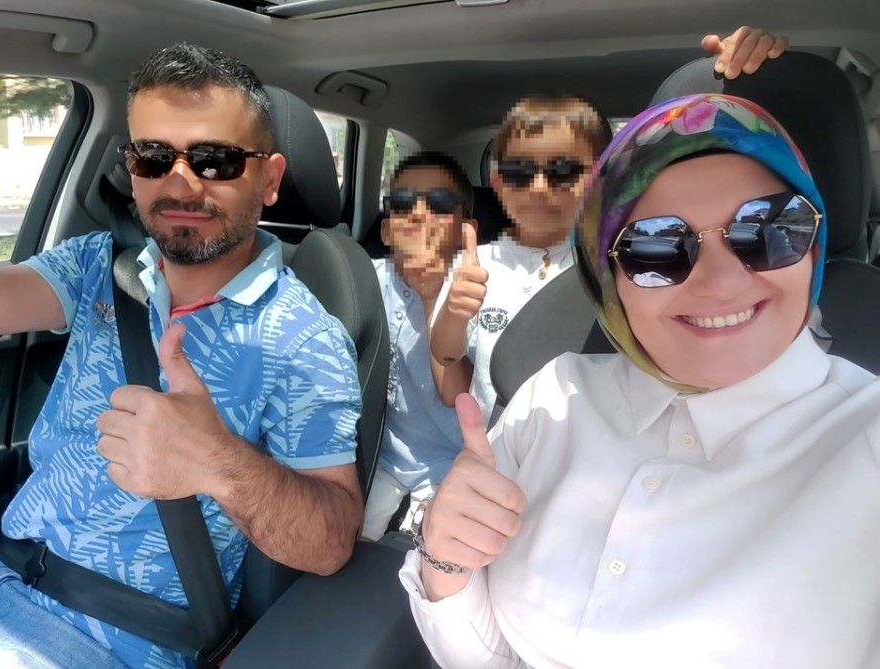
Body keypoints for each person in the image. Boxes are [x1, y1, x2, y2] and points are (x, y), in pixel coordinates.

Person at [399, 93, 880, 668]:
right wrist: (444, 558)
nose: (721, 281)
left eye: (769, 228)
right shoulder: (555, 396)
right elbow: (489, 657)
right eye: (657, 245)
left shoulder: (866, 442)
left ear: (813, 246)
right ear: (609, 281)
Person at [0, 43, 363, 669]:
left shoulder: (304, 340)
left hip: (104, 640)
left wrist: (216, 461)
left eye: (215, 160)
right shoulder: (98, 263)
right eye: (154, 157)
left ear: (269, 179)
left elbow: (330, 542)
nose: (180, 183)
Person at [430, 27, 790, 427]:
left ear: (603, 178)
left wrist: (735, 71)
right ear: (497, 182)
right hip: (497, 443)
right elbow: (449, 372)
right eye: (519, 172)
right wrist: (453, 313)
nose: (539, 187)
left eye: (563, 170)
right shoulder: (474, 264)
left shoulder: (628, 256)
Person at [361, 151, 476, 541]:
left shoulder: (472, 292)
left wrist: (432, 298)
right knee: (350, 539)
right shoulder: (367, 280)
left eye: (439, 204)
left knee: (435, 550)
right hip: (383, 452)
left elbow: (455, 394)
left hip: (451, 458)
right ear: (385, 230)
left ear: (465, 231)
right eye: (403, 203)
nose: (418, 213)